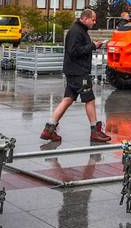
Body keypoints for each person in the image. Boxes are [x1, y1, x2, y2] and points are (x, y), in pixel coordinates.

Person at [40, 9, 111, 142]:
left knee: (68, 99)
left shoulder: (79, 30)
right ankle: (94, 131)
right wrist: (92, 46)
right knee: (89, 99)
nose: (94, 22)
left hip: (73, 71)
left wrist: (93, 45)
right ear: (84, 18)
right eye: (93, 19)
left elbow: (77, 49)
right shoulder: (76, 31)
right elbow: (74, 51)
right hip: (79, 72)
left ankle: (49, 129)